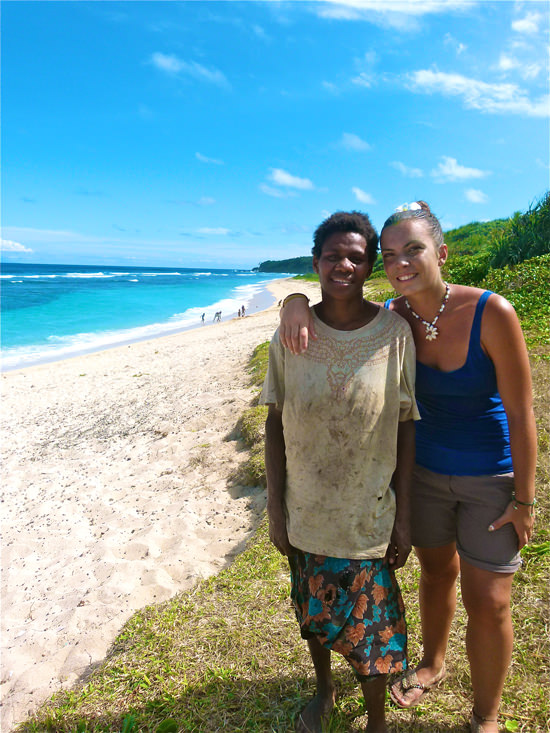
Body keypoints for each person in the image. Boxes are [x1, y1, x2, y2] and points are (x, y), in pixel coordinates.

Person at [278, 201, 537, 733]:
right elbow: (336, 304)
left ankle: (486, 717)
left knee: (489, 601)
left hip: (488, 474)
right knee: (437, 572)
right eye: (391, 253)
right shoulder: (397, 318)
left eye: (412, 250)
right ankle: (432, 665)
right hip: (421, 477)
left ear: (441, 253)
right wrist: (294, 299)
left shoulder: (492, 311)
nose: (401, 262)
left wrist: (525, 498)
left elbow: (521, 412)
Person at [260, 211, 419, 733]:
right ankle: (324, 690)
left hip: (367, 512)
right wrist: (276, 512)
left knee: (372, 634)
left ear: (371, 265)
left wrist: (405, 519)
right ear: (316, 263)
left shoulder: (394, 333)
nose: (344, 265)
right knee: (315, 618)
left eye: (356, 256)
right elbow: (275, 422)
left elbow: (405, 427)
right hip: (307, 509)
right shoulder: (289, 334)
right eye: (333, 256)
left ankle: (375, 721)